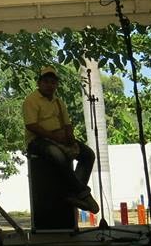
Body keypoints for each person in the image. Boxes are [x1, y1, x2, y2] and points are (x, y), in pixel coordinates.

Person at [22, 66, 99, 214]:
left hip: (58, 137)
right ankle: (82, 193)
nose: (49, 85)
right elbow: (31, 126)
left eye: (53, 82)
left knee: (88, 155)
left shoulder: (59, 102)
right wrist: (54, 137)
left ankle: (73, 193)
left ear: (56, 84)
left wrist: (70, 139)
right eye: (46, 82)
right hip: (37, 141)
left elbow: (67, 124)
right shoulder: (31, 100)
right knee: (58, 155)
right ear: (39, 83)